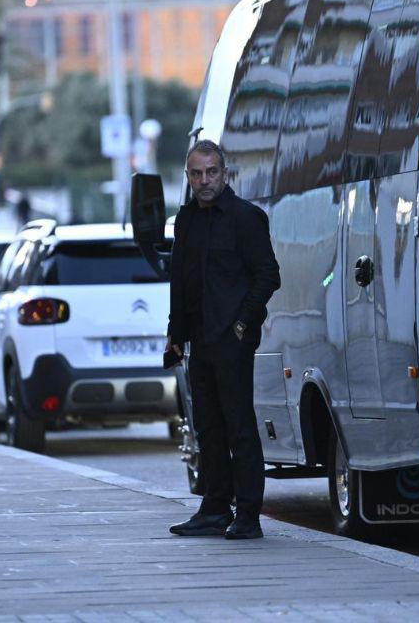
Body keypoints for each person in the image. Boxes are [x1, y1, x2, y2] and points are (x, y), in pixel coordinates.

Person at [166, 140, 281, 540]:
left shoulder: (246, 217)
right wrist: (175, 333)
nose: (204, 180)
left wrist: (241, 324)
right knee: (207, 427)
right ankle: (215, 508)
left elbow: (268, 275)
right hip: (199, 339)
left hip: (232, 339)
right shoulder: (186, 221)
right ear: (189, 177)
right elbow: (180, 281)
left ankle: (248, 515)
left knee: (238, 426)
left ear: (225, 173)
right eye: (196, 174)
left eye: (211, 172)